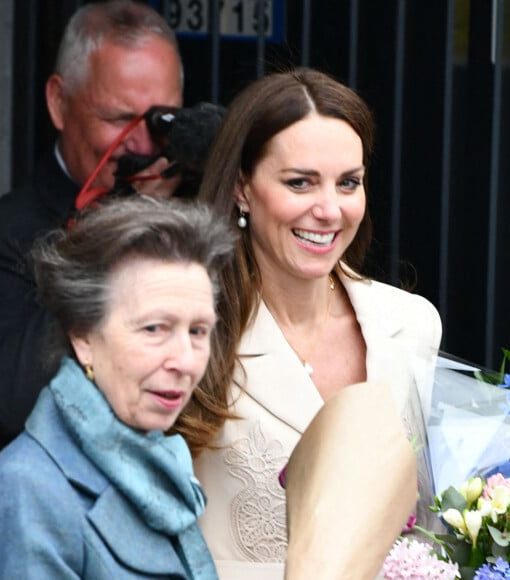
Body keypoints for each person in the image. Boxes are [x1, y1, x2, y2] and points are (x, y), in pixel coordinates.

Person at [194, 68, 442, 578]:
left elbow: (429, 525)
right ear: (242, 188)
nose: (329, 210)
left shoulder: (411, 324)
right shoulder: (195, 332)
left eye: (348, 183)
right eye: (300, 182)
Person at [0, 195, 234, 578]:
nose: (186, 361)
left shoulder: (158, 464)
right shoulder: (24, 492)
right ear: (83, 336)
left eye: (198, 331)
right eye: (154, 328)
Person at [0, 0, 184, 447]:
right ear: (59, 103)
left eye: (160, 121)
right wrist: (109, 227)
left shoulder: (197, 205)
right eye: (119, 119)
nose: (139, 144)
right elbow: (8, 399)